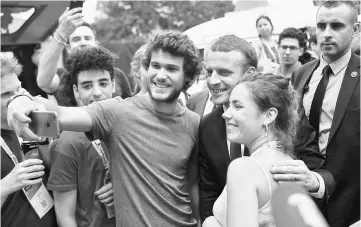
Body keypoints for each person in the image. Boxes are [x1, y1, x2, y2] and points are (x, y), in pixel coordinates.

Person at [7, 30, 202, 227]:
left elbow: (191, 186)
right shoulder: (117, 112)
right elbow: (60, 115)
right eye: (155, 66)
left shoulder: (193, 122)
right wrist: (20, 101)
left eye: (171, 68)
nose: (161, 75)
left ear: (189, 77)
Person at [272, 1, 360, 226]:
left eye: (337, 26)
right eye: (321, 26)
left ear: (356, 29)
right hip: (304, 198)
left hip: (352, 201)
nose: (327, 34)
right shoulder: (301, 74)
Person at [203, 73, 298, 227]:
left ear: (269, 115)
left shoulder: (244, 168)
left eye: (238, 106)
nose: (226, 114)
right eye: (229, 105)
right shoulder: (289, 163)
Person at [47, 46, 116, 227]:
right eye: (87, 86)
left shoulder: (127, 127)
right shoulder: (66, 144)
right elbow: (65, 218)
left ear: (113, 85)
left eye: (103, 83)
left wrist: (121, 186)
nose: (97, 92)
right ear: (76, 91)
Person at [198, 35, 257, 223]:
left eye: (223, 72)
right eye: (209, 72)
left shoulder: (281, 117)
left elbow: (316, 170)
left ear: (250, 73)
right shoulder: (206, 126)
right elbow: (208, 192)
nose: (212, 81)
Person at [0, 55, 58, 227]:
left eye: (18, 89)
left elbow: (61, 170)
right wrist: (6, 185)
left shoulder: (33, 123)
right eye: (6, 94)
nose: (16, 97)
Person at [36, 7, 136, 105]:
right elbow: (43, 82)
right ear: (68, 47)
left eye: (87, 38)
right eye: (76, 39)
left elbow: (128, 106)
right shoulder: (61, 76)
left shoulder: (118, 74)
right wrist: (61, 34)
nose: (83, 42)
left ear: (96, 43)